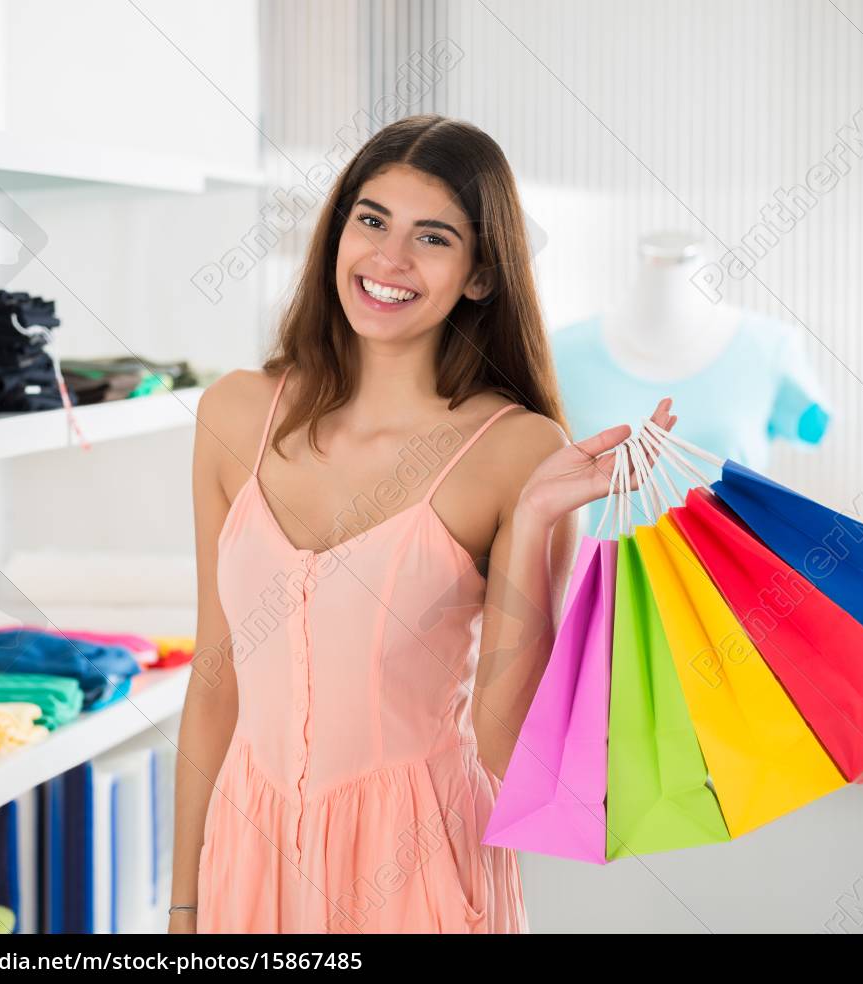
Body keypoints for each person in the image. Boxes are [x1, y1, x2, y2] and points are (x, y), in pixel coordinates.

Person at [173, 114, 675, 934]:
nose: (390, 259)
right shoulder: (234, 414)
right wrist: (184, 906)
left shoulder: (517, 451)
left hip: (418, 869)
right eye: (371, 221)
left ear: (480, 276)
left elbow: (510, 748)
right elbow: (214, 680)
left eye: (433, 238)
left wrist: (541, 512)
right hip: (247, 854)